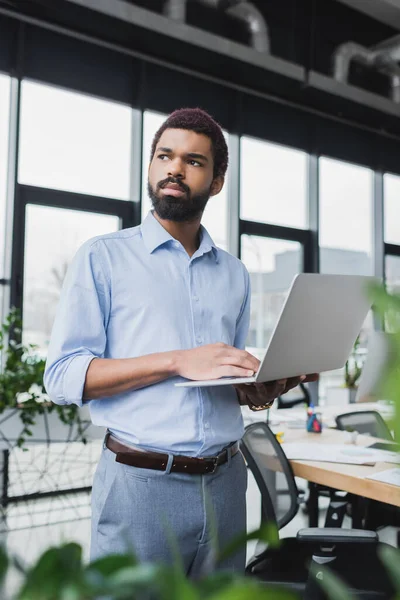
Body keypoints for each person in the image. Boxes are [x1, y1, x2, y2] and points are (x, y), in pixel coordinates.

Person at [44, 107, 316, 577]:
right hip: (141, 486)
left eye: (193, 161)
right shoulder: (104, 257)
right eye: (164, 156)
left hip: (229, 483)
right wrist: (177, 361)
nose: (174, 168)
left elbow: (217, 376)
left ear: (216, 181)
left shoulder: (234, 273)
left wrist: (255, 388)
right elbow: (62, 376)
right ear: (151, 166)